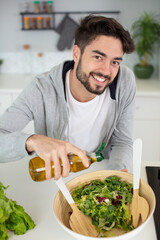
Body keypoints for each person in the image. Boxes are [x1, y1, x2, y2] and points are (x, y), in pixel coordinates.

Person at [0, 15, 136, 180]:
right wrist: (32, 141)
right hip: (55, 176)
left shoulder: (124, 81)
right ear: (77, 54)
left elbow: (122, 141)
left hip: (100, 169)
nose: (106, 71)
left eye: (115, 62)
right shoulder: (42, 88)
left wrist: (113, 178)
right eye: (98, 57)